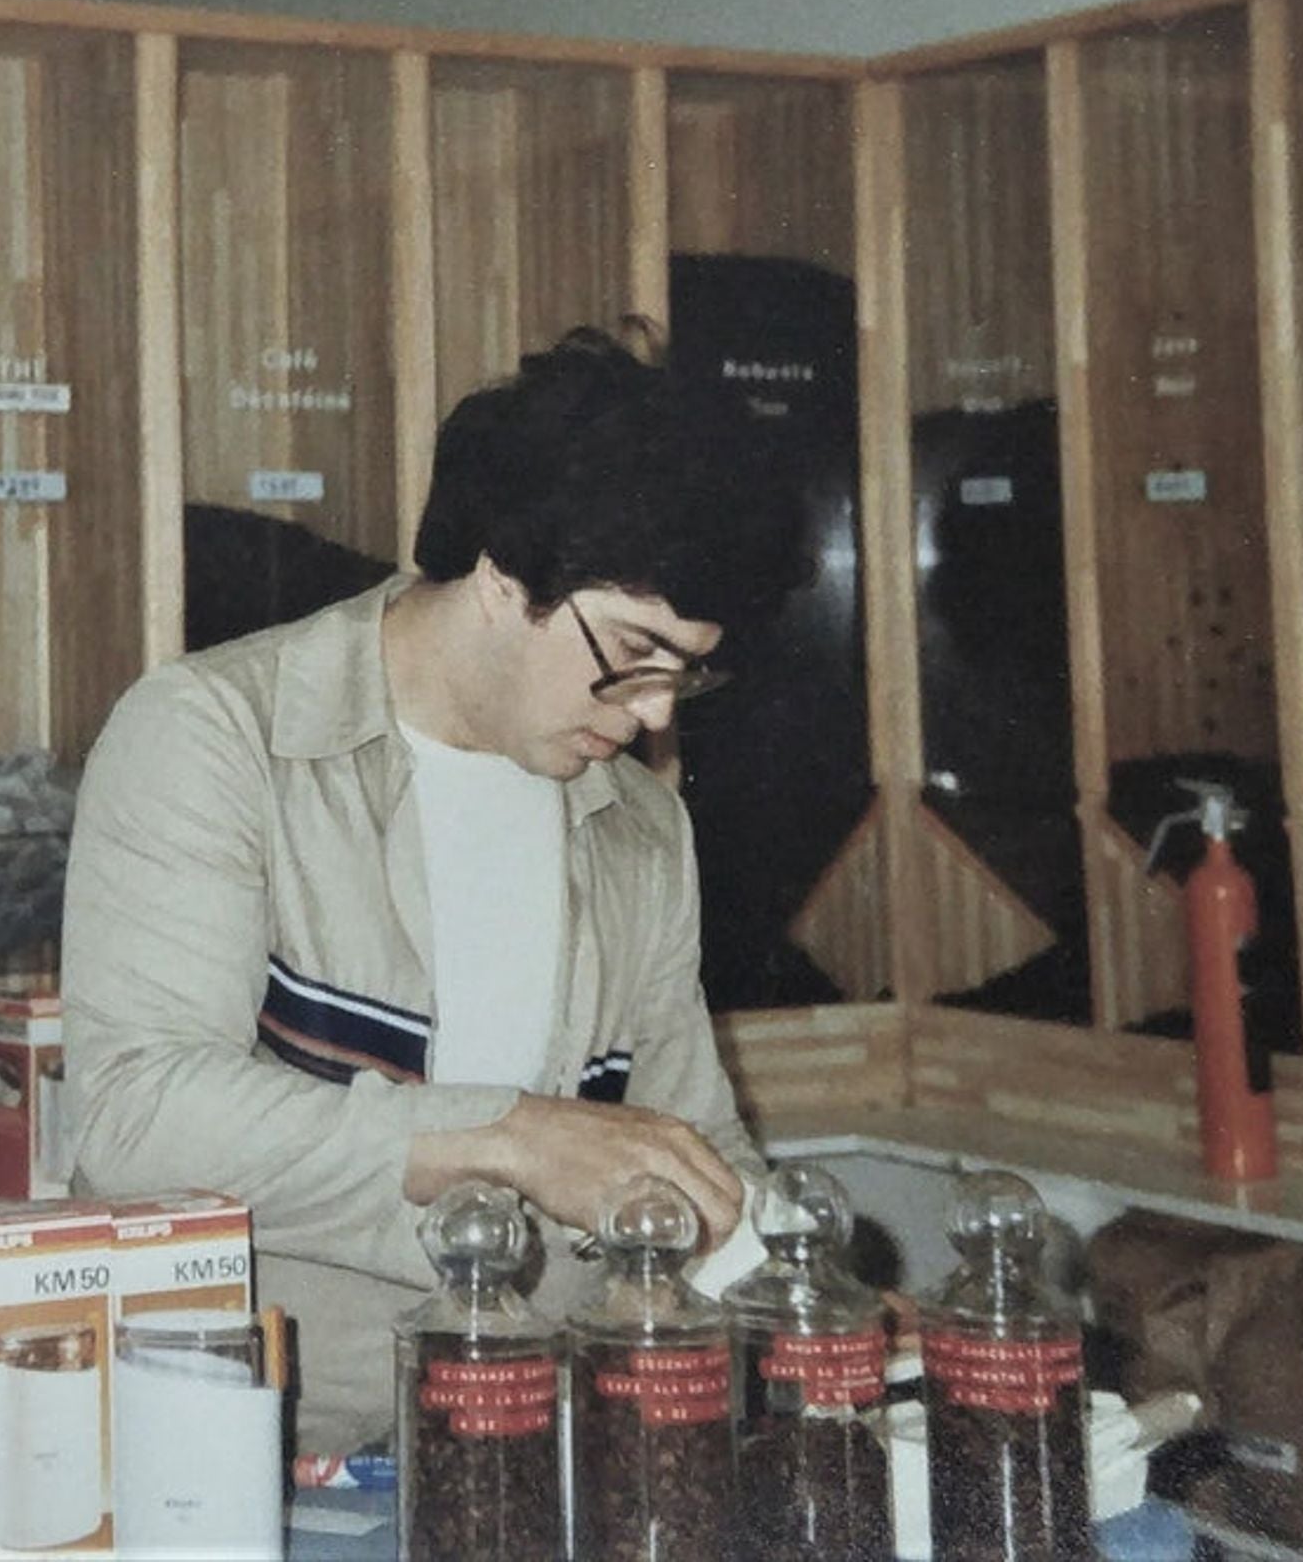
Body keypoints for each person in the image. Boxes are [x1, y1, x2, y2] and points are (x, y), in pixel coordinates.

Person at [62, 326, 806, 1451]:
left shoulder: (639, 825)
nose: (658, 712)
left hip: (545, 1445)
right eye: (638, 653)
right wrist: (507, 1136)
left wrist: (787, 1292)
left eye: (687, 670)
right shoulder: (217, 740)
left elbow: (691, 1140)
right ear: (504, 578)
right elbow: (139, 1113)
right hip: (268, 1451)